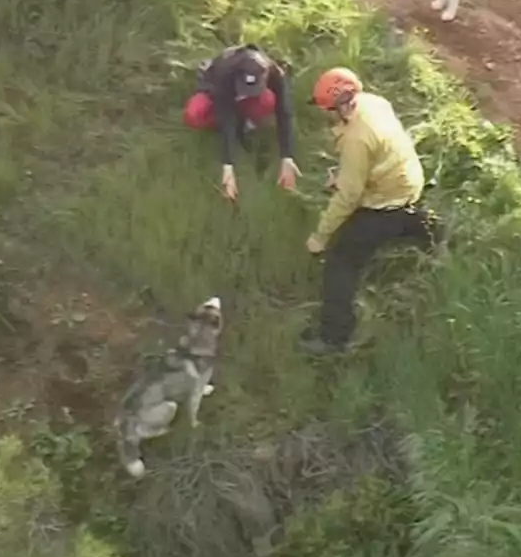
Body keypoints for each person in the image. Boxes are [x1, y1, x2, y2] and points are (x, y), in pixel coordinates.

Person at [298, 67, 438, 355]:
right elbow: (379, 152)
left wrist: (320, 237)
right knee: (410, 219)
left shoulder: (355, 140)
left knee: (341, 261)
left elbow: (348, 197)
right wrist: (345, 174)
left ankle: (334, 338)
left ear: (340, 108)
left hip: (385, 203)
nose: (325, 115)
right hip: (410, 181)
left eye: (327, 110)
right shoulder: (374, 103)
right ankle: (434, 236)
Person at [182, 44, 301, 201]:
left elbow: (284, 112)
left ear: (265, 76)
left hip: (244, 99)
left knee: (268, 101)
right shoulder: (224, 72)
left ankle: (246, 125)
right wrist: (228, 166)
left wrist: (287, 157)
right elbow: (226, 115)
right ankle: (237, 128)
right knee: (194, 114)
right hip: (217, 93)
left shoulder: (275, 73)